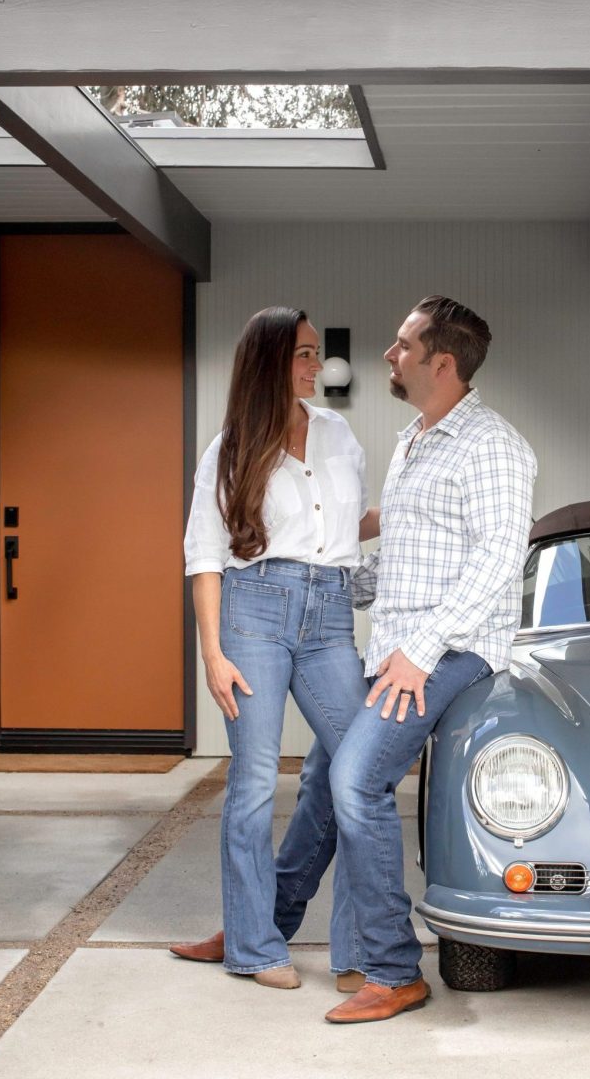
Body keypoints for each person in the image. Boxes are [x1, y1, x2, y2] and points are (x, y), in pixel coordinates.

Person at [324, 295, 537, 1024]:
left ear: (441, 363)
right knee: (325, 782)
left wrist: (418, 652)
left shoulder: (492, 445)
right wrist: (322, 584)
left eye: (402, 345)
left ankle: (394, 971)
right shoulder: (415, 440)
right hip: (398, 648)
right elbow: (407, 561)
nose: (390, 355)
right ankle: (265, 932)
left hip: (453, 650)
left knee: (357, 779)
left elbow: (498, 559)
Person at [173, 306, 377, 990]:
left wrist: (423, 513)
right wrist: (212, 653)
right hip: (253, 611)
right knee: (256, 781)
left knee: (358, 771)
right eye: (304, 354)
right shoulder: (230, 448)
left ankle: (357, 951)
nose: (317, 365)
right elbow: (204, 555)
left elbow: (349, 523)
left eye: (317, 353)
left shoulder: (338, 432)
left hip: (330, 615)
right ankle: (256, 948)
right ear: (270, 361)